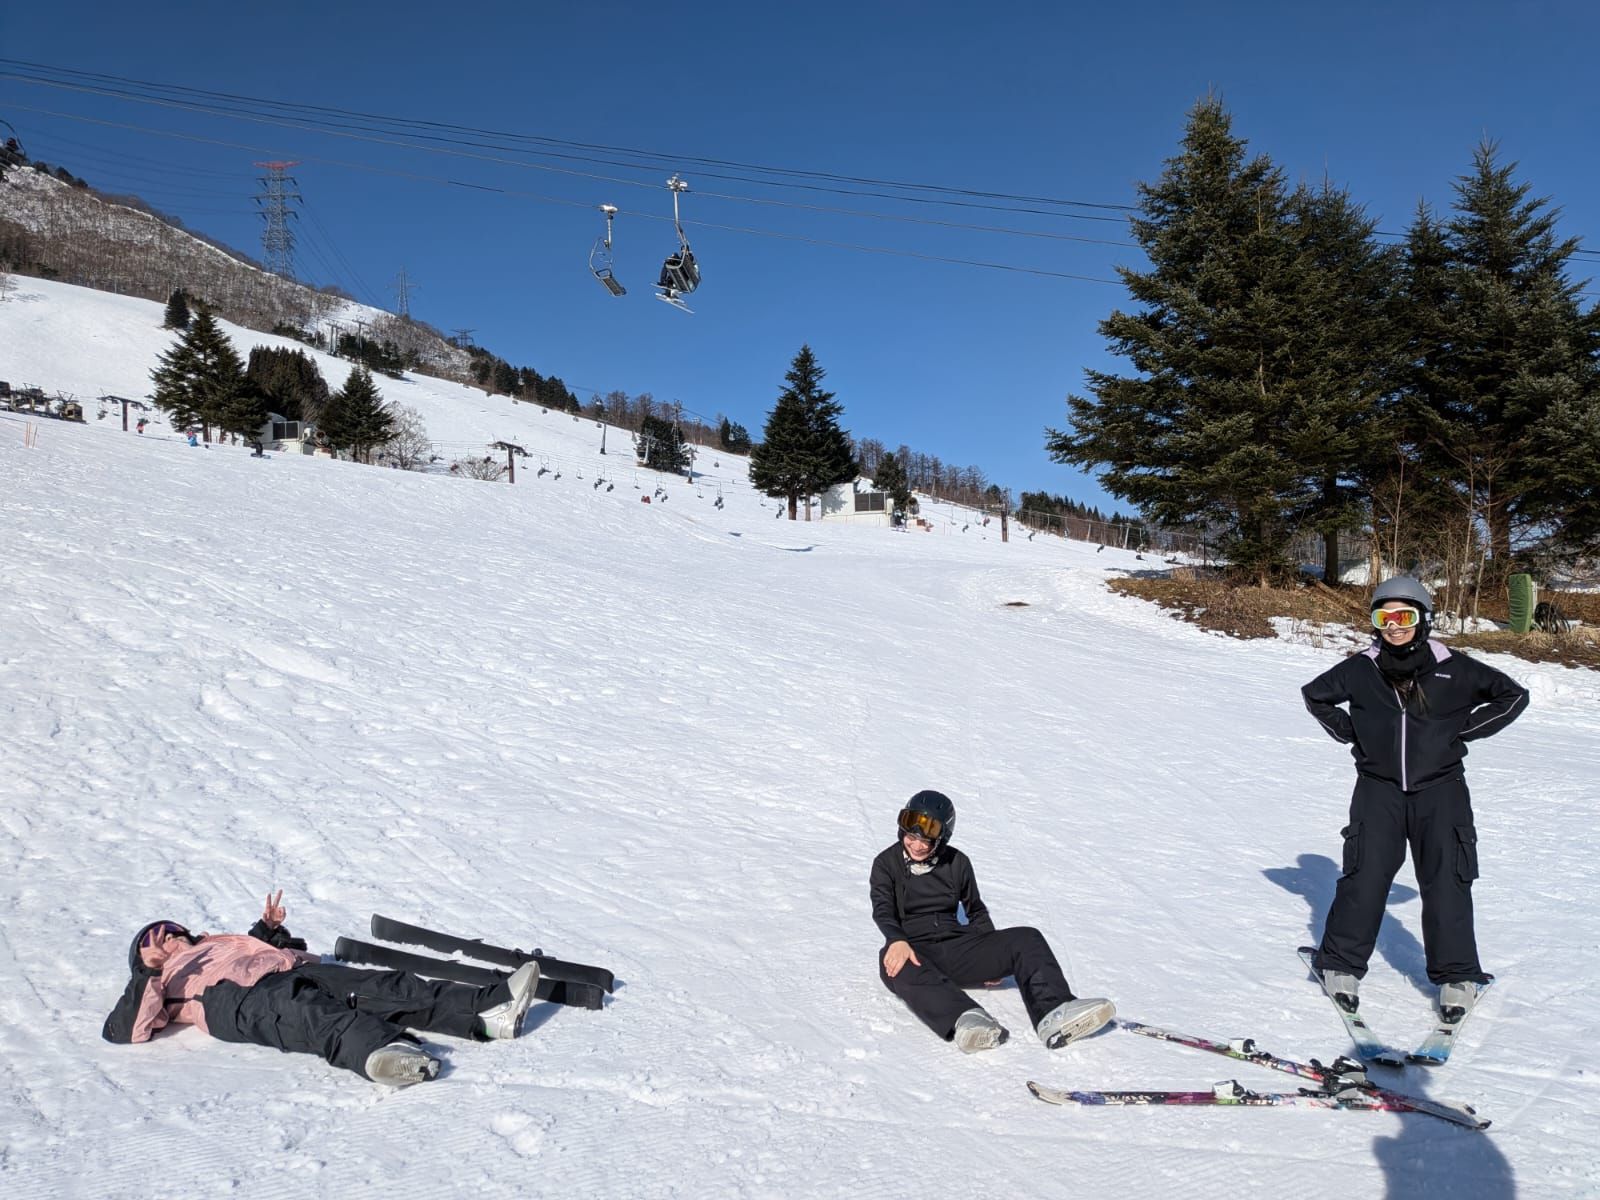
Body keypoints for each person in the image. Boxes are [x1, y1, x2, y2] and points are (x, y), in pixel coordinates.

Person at [1303, 576, 1529, 1021]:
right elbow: (1316, 695)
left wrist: (1460, 733)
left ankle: (1457, 976)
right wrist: (1354, 734)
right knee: (1365, 876)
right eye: (1383, 617)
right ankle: (1340, 965)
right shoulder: (1362, 668)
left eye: (1404, 616)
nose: (1394, 626)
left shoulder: (1453, 667)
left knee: (1447, 880)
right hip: (1378, 789)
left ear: (1424, 619)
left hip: (1441, 791)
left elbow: (1512, 696)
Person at [102, 891, 540, 1087]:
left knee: (384, 986)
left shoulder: (214, 942)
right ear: (144, 957)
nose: (165, 937)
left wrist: (268, 930)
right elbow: (126, 1030)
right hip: (235, 1001)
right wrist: (148, 973)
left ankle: (489, 1010)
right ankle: (381, 1056)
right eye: (152, 939)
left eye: (168, 929)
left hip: (290, 971)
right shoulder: (160, 978)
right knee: (313, 1017)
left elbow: (258, 953)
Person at [870, 790, 1114, 1053]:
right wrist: (896, 939)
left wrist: (989, 954)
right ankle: (967, 1020)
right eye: (911, 836)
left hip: (956, 948)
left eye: (925, 841)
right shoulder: (886, 863)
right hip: (914, 950)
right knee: (892, 963)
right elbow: (883, 909)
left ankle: (1054, 1012)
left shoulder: (957, 863)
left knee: (1027, 938)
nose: (916, 845)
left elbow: (975, 910)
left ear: (941, 838)